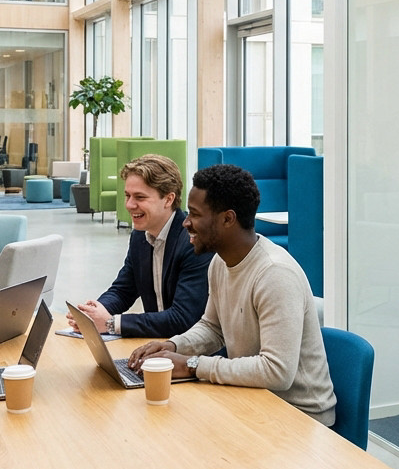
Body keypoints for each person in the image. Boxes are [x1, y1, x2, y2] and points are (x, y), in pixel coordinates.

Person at [128, 164, 336, 425]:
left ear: (227, 219)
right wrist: (173, 346)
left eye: (195, 214)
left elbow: (277, 372)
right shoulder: (220, 263)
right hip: (256, 401)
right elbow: (212, 328)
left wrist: (192, 364)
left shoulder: (275, 274)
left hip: (299, 418)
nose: (186, 222)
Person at [68, 154, 212, 338]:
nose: (129, 205)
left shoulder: (194, 242)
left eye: (140, 197)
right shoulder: (139, 236)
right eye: (127, 195)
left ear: (168, 199)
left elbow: (182, 319)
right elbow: (123, 289)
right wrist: (94, 313)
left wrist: (111, 323)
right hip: (157, 345)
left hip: (191, 353)